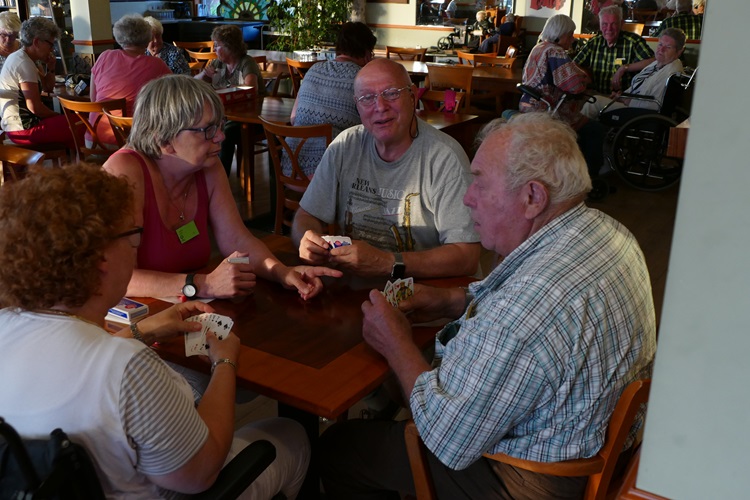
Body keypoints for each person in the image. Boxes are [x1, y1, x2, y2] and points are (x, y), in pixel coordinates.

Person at [319, 112, 657, 499]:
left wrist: (395, 342)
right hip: (597, 451)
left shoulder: (526, 310)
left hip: (532, 481)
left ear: (533, 197)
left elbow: (447, 437)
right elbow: (522, 298)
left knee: (339, 448)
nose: (468, 197)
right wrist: (449, 299)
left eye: (479, 183)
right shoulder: (609, 233)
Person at [0, 163, 310, 499]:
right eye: (133, 235)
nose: (137, 243)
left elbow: (73, 367)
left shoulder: (7, 326)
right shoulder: (128, 368)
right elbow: (201, 472)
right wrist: (224, 363)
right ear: (102, 257)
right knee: (290, 434)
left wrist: (144, 329)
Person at [103, 74, 341, 300]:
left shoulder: (208, 165)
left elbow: (236, 239)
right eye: (207, 130)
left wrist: (280, 272)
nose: (220, 137)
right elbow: (118, 278)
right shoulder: (125, 171)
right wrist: (203, 285)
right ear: (164, 140)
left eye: (219, 125)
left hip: (184, 310)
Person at [292, 58, 480, 279]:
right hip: (356, 292)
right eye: (367, 98)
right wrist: (306, 240)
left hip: (426, 298)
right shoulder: (345, 146)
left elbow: (467, 256)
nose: (380, 107)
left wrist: (387, 263)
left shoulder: (444, 157)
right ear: (357, 106)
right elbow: (305, 216)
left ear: (412, 95)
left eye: (391, 93)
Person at [520, 14, 603, 181]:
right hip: (548, 113)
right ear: (561, 34)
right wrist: (584, 79)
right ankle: (588, 177)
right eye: (570, 34)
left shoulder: (539, 48)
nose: (572, 39)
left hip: (529, 107)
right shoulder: (556, 52)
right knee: (594, 127)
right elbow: (574, 86)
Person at [288, 21, 376, 178]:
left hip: (292, 171)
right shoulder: (361, 79)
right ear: (367, 52)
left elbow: (293, 118)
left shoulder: (313, 70)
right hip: (330, 177)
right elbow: (373, 129)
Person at [89, 14, 171, 146]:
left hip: (94, 138)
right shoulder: (156, 64)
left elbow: (93, 100)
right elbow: (174, 98)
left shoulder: (104, 56)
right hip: (131, 142)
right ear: (147, 38)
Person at [195, 24, 265, 175]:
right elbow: (194, 84)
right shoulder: (217, 63)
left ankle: (221, 177)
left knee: (225, 133)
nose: (213, 50)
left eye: (217, 45)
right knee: (201, 128)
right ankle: (204, 174)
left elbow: (251, 89)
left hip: (251, 120)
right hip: (226, 117)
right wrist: (204, 75)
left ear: (229, 46)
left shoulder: (246, 63)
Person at [0, 17, 75, 149]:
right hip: (23, 129)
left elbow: (47, 87)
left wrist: (51, 67)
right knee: (78, 123)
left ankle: (70, 164)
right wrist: (59, 116)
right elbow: (35, 107)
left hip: (16, 127)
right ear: (36, 42)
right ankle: (77, 164)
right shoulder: (24, 63)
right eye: (50, 44)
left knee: (72, 124)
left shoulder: (23, 57)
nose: (52, 49)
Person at [582, 28, 685, 118]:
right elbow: (638, 86)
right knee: (593, 99)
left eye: (668, 47)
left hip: (639, 113)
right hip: (630, 104)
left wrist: (628, 101)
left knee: (594, 102)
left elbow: (655, 105)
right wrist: (621, 96)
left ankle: (573, 136)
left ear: (679, 52)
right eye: (660, 44)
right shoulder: (657, 64)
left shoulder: (672, 72)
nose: (661, 49)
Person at [574, 5, 654, 94]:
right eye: (605, 24)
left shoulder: (633, 42)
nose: (609, 29)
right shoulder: (593, 43)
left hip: (624, 98)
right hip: (597, 95)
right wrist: (586, 76)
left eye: (614, 24)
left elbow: (653, 62)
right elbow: (574, 65)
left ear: (621, 24)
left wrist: (625, 68)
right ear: (600, 25)